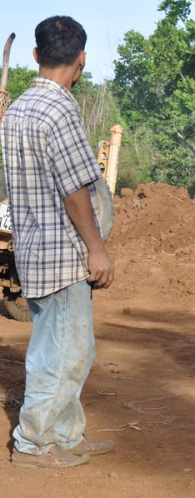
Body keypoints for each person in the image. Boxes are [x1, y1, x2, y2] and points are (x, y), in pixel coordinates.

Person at [1, 16, 115, 468]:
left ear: (35, 55)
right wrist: (97, 249)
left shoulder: (19, 109)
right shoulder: (60, 110)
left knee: (61, 345)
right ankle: (34, 443)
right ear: (81, 59)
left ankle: (67, 435)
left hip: (31, 250)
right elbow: (76, 192)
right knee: (66, 353)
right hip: (63, 253)